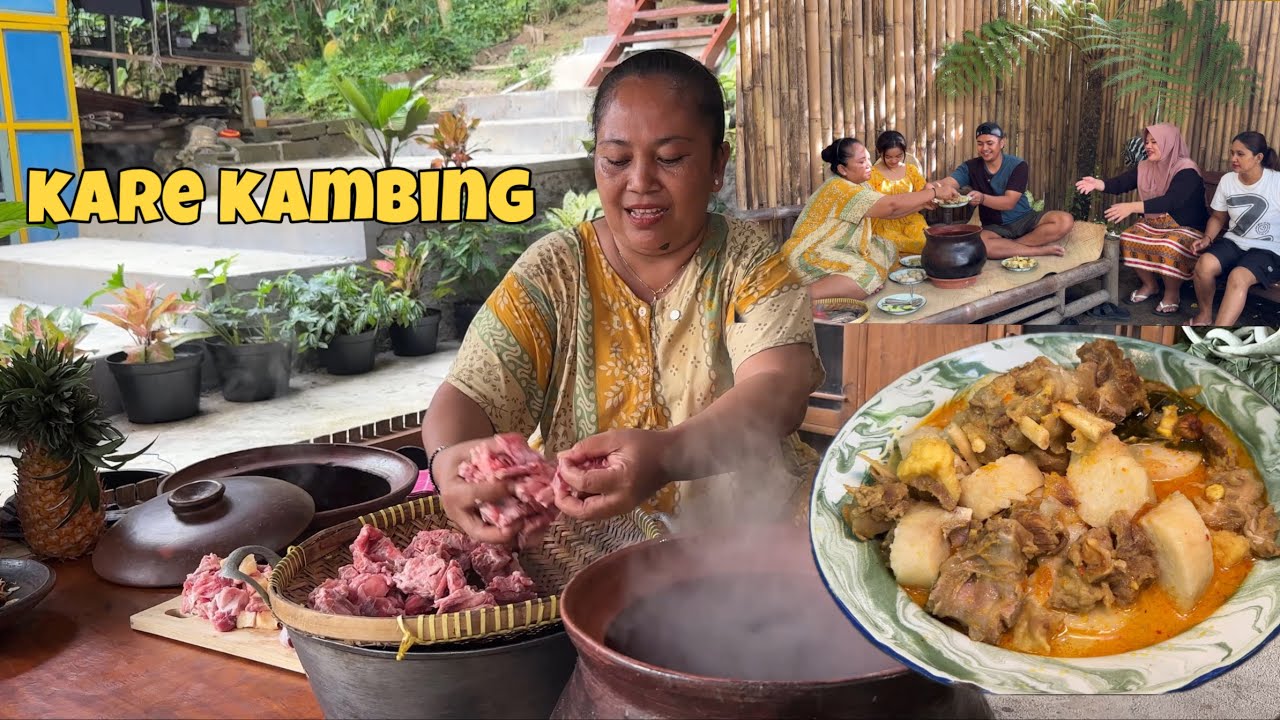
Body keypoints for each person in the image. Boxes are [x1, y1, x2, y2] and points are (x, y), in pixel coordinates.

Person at [421, 49, 825, 544]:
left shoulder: (750, 265)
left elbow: (778, 392)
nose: (639, 183)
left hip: (750, 544)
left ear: (718, 163)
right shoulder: (556, 271)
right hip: (595, 556)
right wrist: (451, 465)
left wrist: (665, 456)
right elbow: (469, 394)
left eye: (671, 159)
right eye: (616, 159)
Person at [783, 136, 960, 301]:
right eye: (861, 161)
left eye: (868, 158)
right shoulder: (839, 187)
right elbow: (890, 206)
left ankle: (845, 284)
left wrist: (922, 204)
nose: (869, 165)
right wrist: (934, 192)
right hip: (811, 252)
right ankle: (798, 299)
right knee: (868, 276)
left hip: (843, 248)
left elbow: (889, 212)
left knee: (887, 247)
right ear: (842, 169)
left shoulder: (862, 184)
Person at [1075, 123, 1209, 315]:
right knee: (1129, 238)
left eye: (1154, 142)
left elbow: (1171, 201)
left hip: (1186, 226)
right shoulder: (1145, 166)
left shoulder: (1186, 170)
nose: (1148, 146)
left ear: (1169, 143)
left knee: (1169, 246)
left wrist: (1131, 207)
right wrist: (1098, 183)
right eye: (1147, 142)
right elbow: (1122, 183)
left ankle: (1172, 294)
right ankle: (1150, 285)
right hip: (1157, 223)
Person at [937, 122, 1074, 259]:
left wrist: (983, 198)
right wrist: (934, 188)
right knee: (981, 243)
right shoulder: (970, 167)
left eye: (990, 143)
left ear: (1002, 143)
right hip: (995, 227)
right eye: (980, 143)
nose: (984, 148)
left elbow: (1009, 203)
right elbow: (948, 183)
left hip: (1025, 219)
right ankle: (1037, 251)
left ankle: (1010, 247)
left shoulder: (1018, 165)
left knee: (1064, 220)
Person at [1190, 131, 1280, 326]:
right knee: (1204, 265)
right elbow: (1218, 217)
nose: (1233, 159)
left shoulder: (1276, 182)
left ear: (1258, 158)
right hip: (1234, 242)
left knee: (1238, 277)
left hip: (1268, 249)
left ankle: (1218, 333)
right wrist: (1207, 239)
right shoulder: (1228, 181)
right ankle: (1205, 315)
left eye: (1240, 154)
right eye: (1232, 153)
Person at [867, 130, 931, 255]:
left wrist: (929, 190)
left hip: (911, 218)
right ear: (880, 152)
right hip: (883, 222)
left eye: (899, 156)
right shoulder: (872, 174)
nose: (894, 161)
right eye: (888, 157)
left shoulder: (911, 170)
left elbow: (923, 193)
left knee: (925, 241)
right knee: (890, 245)